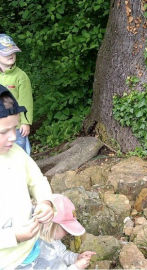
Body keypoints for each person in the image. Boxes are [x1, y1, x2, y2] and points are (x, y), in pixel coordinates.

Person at [0, 84, 53, 269]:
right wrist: (14, 236)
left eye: (14, 128)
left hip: (31, 247)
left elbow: (37, 181)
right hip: (6, 261)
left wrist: (45, 202)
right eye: (3, 132)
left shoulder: (16, 153)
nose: (13, 137)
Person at [35, 194, 96, 269]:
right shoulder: (37, 250)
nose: (68, 232)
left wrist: (77, 257)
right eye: (65, 229)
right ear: (50, 225)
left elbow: (62, 254)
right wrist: (76, 267)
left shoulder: (53, 240)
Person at [0, 33, 33, 155]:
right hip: (2, 126)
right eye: (6, 53)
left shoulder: (20, 76)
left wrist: (26, 122)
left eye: (12, 52)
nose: (11, 55)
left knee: (19, 152)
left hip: (17, 126)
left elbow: (26, 101)